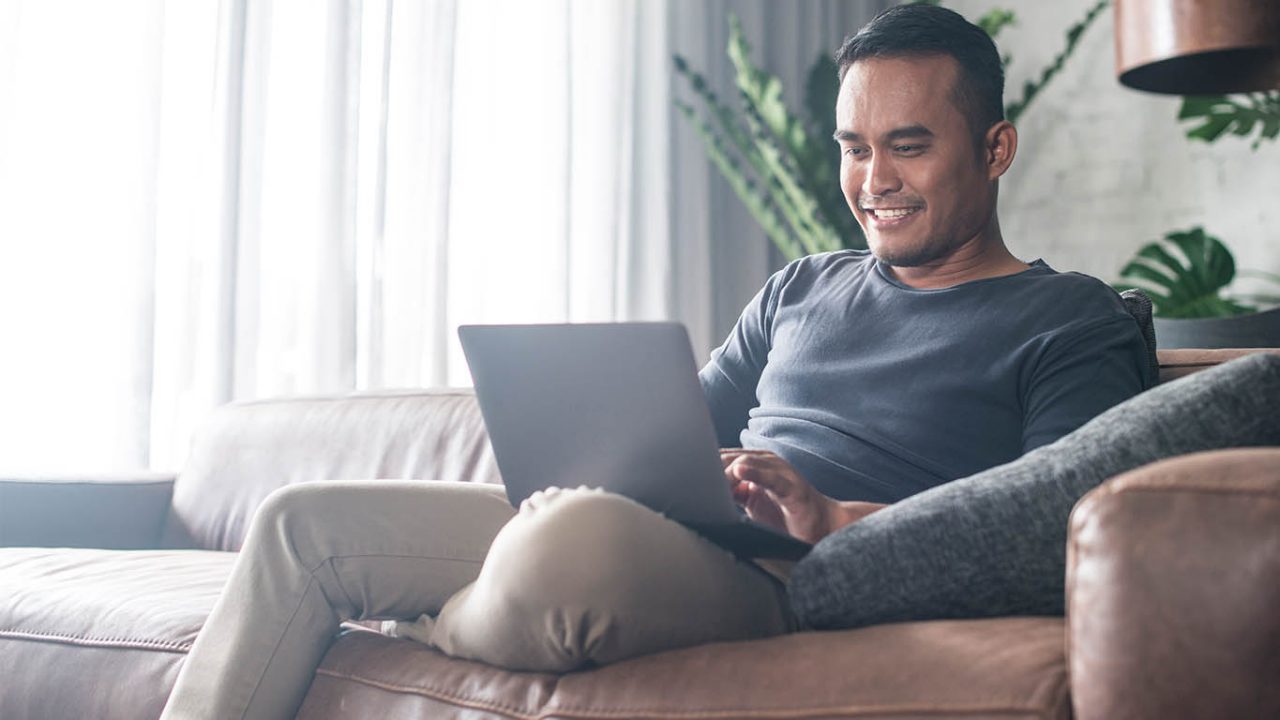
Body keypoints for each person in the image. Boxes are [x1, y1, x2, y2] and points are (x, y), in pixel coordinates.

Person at [161, 6, 1155, 719]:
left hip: (792, 579)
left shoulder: (1069, 321)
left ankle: (432, 622)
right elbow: (665, 438)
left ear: (992, 148)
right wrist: (613, 456)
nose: (872, 181)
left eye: (906, 146)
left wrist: (831, 519)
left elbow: (1055, 535)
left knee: (569, 543)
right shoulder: (800, 287)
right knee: (304, 524)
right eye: (852, 147)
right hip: (664, 536)